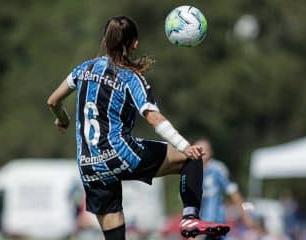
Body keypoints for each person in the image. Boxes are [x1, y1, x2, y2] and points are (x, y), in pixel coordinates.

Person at [47, 16, 230, 240]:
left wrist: (63, 119)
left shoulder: (84, 69)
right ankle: (190, 217)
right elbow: (153, 118)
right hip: (120, 154)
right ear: (134, 44)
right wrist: (184, 145)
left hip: (89, 166)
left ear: (105, 39)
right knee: (190, 159)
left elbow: (53, 101)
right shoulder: (130, 77)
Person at [194, 138, 256, 240]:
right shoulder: (192, 171)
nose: (202, 153)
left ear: (210, 152)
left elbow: (234, 193)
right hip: (199, 224)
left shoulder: (217, 169)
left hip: (215, 222)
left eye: (204, 149)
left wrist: (246, 217)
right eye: (198, 149)